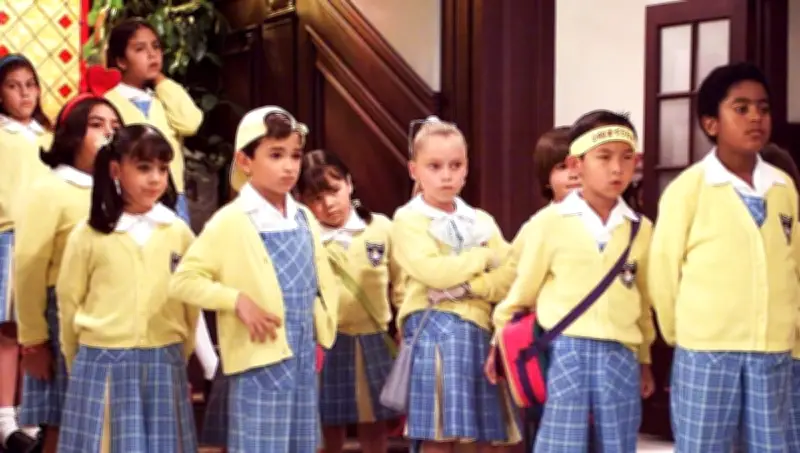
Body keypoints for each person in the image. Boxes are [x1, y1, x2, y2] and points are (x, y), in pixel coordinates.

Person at [168, 106, 339, 453]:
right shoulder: (231, 221)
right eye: (275, 155)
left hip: (303, 357)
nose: (289, 166)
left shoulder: (303, 217)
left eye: (295, 155)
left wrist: (322, 322)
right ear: (245, 161)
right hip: (259, 361)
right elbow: (183, 280)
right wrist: (236, 301)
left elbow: (321, 280)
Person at [648, 62, 799, 452]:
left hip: (774, 351)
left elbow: (793, 266)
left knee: (775, 445)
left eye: (763, 108)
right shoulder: (688, 190)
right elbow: (663, 272)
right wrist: (683, 334)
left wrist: (792, 335)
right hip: (707, 352)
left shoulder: (783, 188)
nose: (756, 118)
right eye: (741, 108)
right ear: (711, 123)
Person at [493, 110, 656, 453]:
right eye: (604, 157)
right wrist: (499, 345)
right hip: (565, 352)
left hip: (621, 355)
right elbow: (522, 294)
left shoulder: (640, 229)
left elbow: (642, 304)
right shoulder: (549, 223)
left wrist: (644, 360)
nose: (617, 168)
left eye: (627, 157)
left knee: (618, 443)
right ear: (576, 164)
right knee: (562, 444)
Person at [56, 124, 199, 452]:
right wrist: (78, 359)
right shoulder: (87, 235)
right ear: (116, 170)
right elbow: (69, 301)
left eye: (162, 168)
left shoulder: (178, 232)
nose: (155, 178)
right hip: (102, 363)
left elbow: (191, 305)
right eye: (144, 168)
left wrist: (180, 353)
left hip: (164, 362)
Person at [391, 116, 521, 452]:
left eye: (455, 165)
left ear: (466, 168)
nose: (446, 175)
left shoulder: (480, 219)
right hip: (433, 329)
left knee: (487, 435)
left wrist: (470, 288)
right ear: (414, 170)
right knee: (439, 433)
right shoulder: (408, 219)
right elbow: (433, 272)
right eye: (434, 166)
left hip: (481, 329)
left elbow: (510, 274)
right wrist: (482, 257)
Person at [15, 94, 120, 453]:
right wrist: (33, 341)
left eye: (115, 126)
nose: (109, 133)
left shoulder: (121, 190)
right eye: (97, 125)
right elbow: (28, 266)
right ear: (73, 135)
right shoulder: (50, 189)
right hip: (61, 317)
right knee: (62, 423)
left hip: (109, 316)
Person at [297, 149, 401, 453]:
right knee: (327, 427)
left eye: (334, 190)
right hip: (326, 341)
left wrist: (404, 324)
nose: (328, 204)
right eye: (316, 198)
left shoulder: (381, 228)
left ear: (349, 183)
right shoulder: (305, 236)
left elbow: (402, 282)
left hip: (373, 337)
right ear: (303, 201)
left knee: (374, 424)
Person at [0, 53, 54, 451]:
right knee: (7, 330)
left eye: (30, 85)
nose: (24, 93)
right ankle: (5, 417)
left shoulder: (48, 138)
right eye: (13, 86)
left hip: (43, 241)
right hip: (7, 237)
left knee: (34, 329)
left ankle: (32, 417)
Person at [103, 17, 203, 222]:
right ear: (121, 61)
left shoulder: (163, 97)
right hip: (130, 199)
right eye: (140, 49)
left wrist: (159, 80)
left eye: (156, 47)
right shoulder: (108, 103)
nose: (152, 54)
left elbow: (190, 122)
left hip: (173, 196)